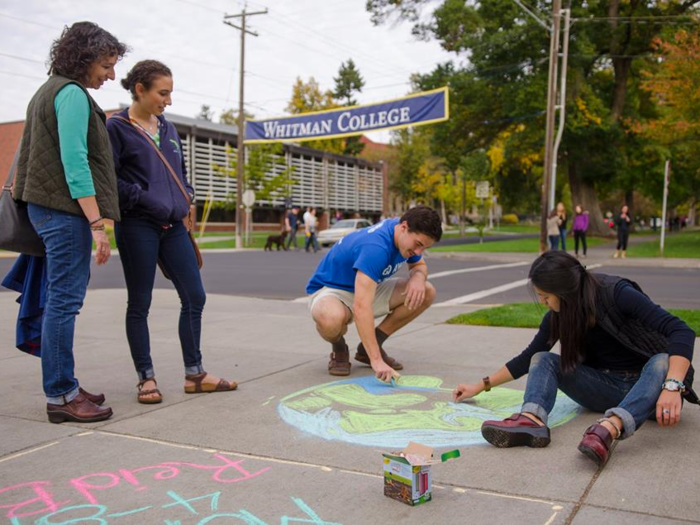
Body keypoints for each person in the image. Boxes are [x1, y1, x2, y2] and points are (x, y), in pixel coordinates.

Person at [453, 251, 697, 466]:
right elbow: (527, 358)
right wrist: (480, 386)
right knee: (542, 358)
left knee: (662, 360)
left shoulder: (617, 293)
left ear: (564, 292)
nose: (542, 302)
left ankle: (609, 429)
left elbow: (681, 331)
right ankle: (531, 420)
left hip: (653, 393)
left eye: (545, 296)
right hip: (604, 387)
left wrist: (672, 386)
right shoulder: (559, 316)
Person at [12, 22, 127, 423]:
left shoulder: (50, 89)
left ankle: (66, 384)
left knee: (59, 300)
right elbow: (75, 162)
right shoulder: (72, 95)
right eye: (107, 65)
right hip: (63, 211)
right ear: (87, 57)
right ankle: (61, 395)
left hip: (49, 208)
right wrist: (97, 225)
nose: (111, 74)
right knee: (63, 302)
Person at [107, 60, 236, 404]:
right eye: (163, 93)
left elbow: (180, 169)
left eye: (170, 93)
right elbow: (111, 182)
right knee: (140, 303)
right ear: (140, 89)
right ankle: (145, 378)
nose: (168, 100)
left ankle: (195, 374)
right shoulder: (116, 128)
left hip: (174, 226)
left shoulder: (167, 127)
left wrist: (186, 194)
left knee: (195, 296)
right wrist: (147, 199)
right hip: (137, 225)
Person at [306, 206, 441, 381]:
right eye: (418, 245)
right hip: (332, 290)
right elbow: (362, 307)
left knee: (427, 291)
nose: (418, 252)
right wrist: (376, 360)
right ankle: (339, 347)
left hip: (367, 286)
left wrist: (418, 276)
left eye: (424, 248)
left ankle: (369, 346)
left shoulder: (403, 234)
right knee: (330, 318)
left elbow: (419, 265)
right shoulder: (375, 247)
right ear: (404, 227)